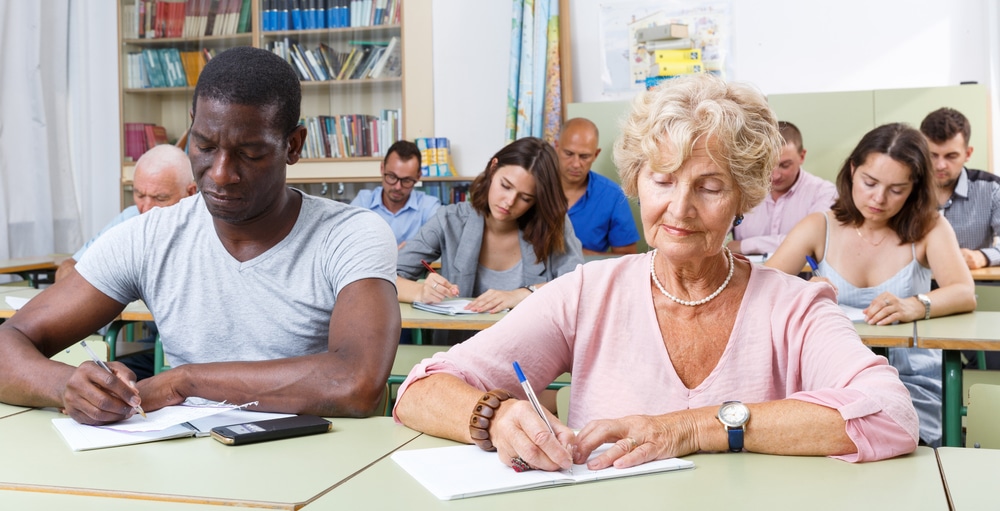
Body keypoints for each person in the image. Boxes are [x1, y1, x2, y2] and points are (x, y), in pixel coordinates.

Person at [393, 74, 919, 473]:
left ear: (744, 198)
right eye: (663, 180)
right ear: (637, 181)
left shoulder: (794, 305)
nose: (679, 209)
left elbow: (893, 414)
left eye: (709, 187)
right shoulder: (587, 293)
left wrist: (692, 428)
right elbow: (421, 388)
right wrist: (498, 416)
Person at [0, 46, 400, 425]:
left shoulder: (351, 235)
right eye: (204, 146)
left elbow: (355, 382)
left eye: (250, 153)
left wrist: (186, 381)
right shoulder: (148, 238)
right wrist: (66, 386)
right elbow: (9, 342)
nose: (221, 173)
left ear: (293, 145)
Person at [766, 122, 976, 447]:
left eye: (896, 189)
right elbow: (763, 291)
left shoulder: (929, 227)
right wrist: (804, 290)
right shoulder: (819, 226)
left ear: (914, 188)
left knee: (889, 439)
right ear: (852, 170)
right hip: (835, 373)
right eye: (869, 182)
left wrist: (915, 304)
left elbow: (964, 292)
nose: (879, 199)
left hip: (911, 378)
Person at [395, 137, 584, 344]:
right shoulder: (450, 219)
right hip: (458, 353)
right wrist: (422, 291)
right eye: (505, 185)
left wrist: (521, 294)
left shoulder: (554, 225)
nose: (509, 202)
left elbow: (578, 288)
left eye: (526, 198)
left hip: (529, 353)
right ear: (493, 169)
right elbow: (384, 279)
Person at [56, 144, 197, 282]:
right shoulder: (131, 217)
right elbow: (68, 268)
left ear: (190, 193)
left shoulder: (207, 227)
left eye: (160, 198)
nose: (146, 209)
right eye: (139, 195)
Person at [729, 121, 837, 256]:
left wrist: (744, 245)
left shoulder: (824, 192)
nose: (775, 175)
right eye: (767, 166)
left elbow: (811, 239)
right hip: (747, 276)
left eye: (785, 165)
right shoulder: (743, 190)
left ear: (802, 156)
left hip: (803, 277)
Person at [919, 107, 1000, 270]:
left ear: (968, 154)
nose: (940, 165)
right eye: (932, 155)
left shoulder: (992, 189)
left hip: (967, 290)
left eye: (951, 156)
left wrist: (983, 256)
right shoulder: (904, 188)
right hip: (911, 290)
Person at [555, 118, 639, 255]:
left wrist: (573, 256)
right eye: (569, 154)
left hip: (588, 274)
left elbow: (627, 257)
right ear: (556, 147)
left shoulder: (612, 196)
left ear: (596, 154)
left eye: (584, 156)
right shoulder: (534, 187)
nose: (576, 164)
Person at [351, 140, 441, 247]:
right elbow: (348, 245)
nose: (397, 187)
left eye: (406, 180)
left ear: (418, 176)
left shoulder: (429, 207)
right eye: (392, 177)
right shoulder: (362, 202)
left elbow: (436, 245)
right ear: (382, 168)